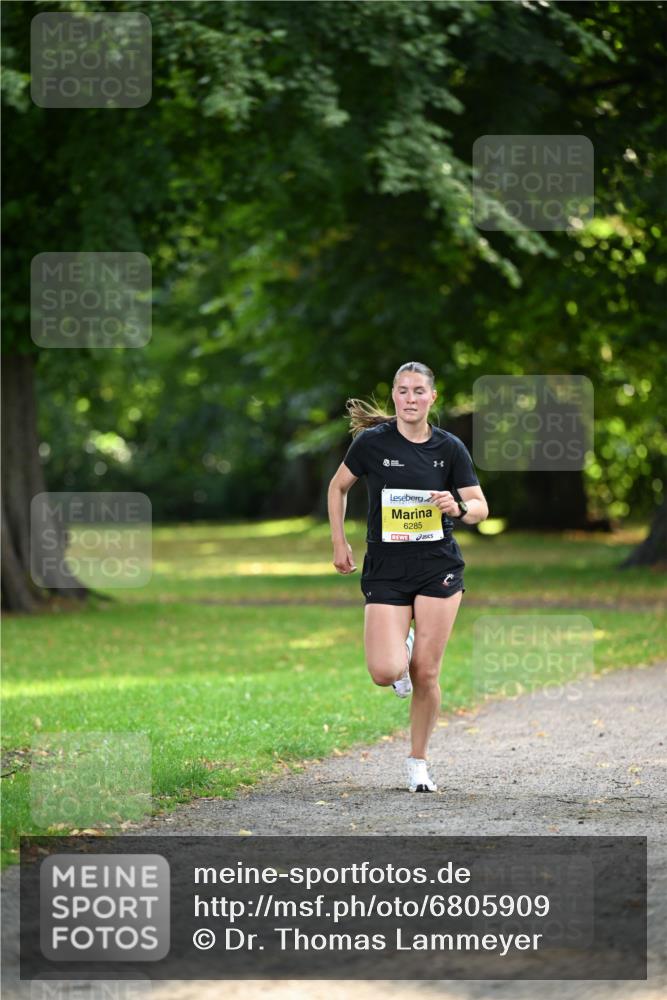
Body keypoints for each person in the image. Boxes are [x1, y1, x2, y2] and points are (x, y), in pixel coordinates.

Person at [327, 361, 488, 793]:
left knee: (426, 674)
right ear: (394, 396)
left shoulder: (449, 448)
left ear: (432, 397)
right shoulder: (371, 444)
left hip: (438, 568)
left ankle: (418, 763)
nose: (410, 398)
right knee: (385, 670)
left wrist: (456, 506)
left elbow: (480, 506)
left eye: (419, 390)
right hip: (386, 570)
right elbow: (337, 487)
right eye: (402, 390)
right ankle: (404, 643)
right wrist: (339, 541)